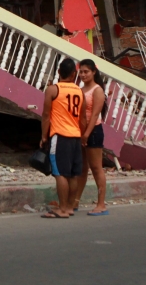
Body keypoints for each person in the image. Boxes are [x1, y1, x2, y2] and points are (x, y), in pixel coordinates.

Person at [40, 58, 84, 219]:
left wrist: (44, 136)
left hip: (60, 136)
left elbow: (46, 115)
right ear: (74, 74)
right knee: (73, 174)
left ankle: (62, 209)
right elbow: (83, 119)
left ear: (59, 72)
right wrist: (83, 136)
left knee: (60, 174)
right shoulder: (79, 91)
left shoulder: (53, 90)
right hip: (76, 136)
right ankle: (70, 207)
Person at [72, 59, 108, 216]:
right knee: (82, 168)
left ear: (94, 72)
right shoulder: (81, 88)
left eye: (86, 71)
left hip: (93, 132)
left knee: (96, 168)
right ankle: (75, 201)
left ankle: (101, 204)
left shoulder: (97, 90)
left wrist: (86, 134)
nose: (83, 74)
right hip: (80, 132)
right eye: (81, 72)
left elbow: (94, 115)